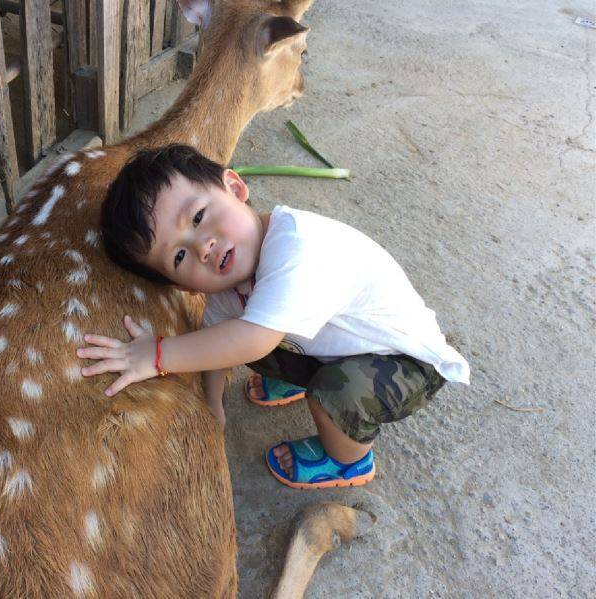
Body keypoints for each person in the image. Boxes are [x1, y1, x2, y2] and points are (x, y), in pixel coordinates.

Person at [77, 144, 470, 489]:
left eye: (197, 218)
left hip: (408, 360)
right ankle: (310, 381)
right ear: (184, 288)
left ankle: (350, 460)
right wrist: (213, 403)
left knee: (334, 391)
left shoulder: (295, 246)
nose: (203, 246)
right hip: (339, 347)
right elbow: (220, 345)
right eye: (178, 256)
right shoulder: (228, 290)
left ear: (234, 188)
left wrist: (157, 355)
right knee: (236, 340)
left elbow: (252, 340)